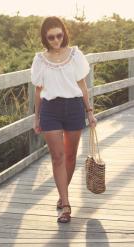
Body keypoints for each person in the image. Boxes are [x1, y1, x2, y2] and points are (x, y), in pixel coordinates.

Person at [30, 16, 97, 223]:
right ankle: (66, 206)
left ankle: (62, 195)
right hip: (50, 110)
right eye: (51, 37)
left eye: (59, 35)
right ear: (45, 38)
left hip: (74, 108)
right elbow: (38, 90)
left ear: (64, 34)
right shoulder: (40, 60)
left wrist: (90, 111)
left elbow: (83, 86)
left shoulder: (75, 55)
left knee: (70, 156)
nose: (56, 40)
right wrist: (37, 116)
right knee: (57, 157)